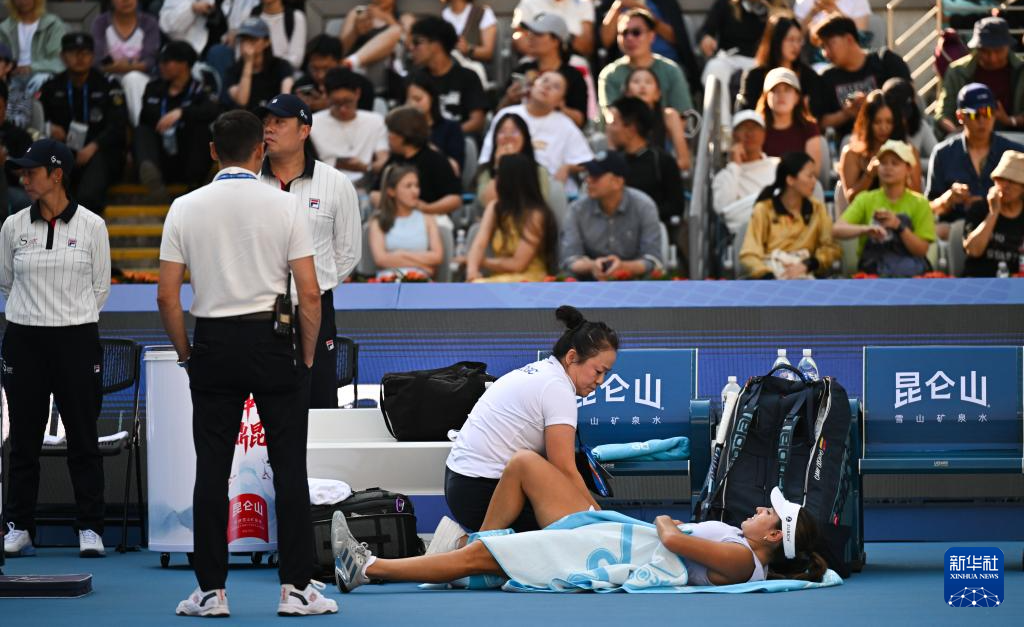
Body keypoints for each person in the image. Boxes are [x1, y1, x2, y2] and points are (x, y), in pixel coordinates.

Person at [157, 110, 335, 617]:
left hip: (212, 343)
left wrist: (187, 354)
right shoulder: (286, 204)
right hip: (273, 342)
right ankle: (296, 589)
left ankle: (210, 591)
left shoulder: (184, 207)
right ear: (261, 149)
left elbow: (167, 297)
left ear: (213, 151)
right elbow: (310, 294)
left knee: (211, 470)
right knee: (290, 468)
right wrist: (304, 356)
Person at [333, 464, 826, 591]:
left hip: (622, 553)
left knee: (485, 556)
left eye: (768, 513)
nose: (759, 508)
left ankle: (370, 567)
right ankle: (436, 561)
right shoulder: (743, 548)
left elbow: (672, 539)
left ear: (773, 537)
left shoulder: (742, 561)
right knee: (488, 557)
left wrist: (666, 519)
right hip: (616, 541)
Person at [1, 140, 110, 560]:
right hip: (24, 340)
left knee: (83, 437)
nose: (24, 177)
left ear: (57, 174)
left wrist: (68, 316)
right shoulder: (12, 226)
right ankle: (19, 526)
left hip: (76, 340)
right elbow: (6, 280)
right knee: (23, 440)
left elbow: (100, 288)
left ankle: (91, 527)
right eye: (22, 171)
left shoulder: (93, 226)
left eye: (32, 171)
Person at [442, 305, 617, 532]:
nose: (601, 381)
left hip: (461, 483)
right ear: (572, 357)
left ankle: (464, 543)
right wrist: (603, 521)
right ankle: (467, 545)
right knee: (577, 531)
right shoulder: (557, 388)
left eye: (606, 374)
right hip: (481, 491)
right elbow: (564, 469)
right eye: (598, 371)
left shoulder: (543, 371)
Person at [259, 94, 360, 407]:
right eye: (266, 122)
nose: (269, 128)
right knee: (261, 401)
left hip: (314, 307)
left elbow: (349, 252)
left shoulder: (336, 183)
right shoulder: (250, 180)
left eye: (279, 122)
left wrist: (313, 285)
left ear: (304, 130)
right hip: (257, 307)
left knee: (318, 397)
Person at [38, 33, 128, 215]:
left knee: (88, 195)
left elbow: (118, 125)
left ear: (93, 56)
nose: (80, 58)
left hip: (100, 152)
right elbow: (36, 121)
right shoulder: (51, 86)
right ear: (63, 57)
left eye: (85, 53)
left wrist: (93, 146)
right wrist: (48, 128)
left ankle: (85, 217)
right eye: (73, 53)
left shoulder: (108, 84)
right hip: (63, 153)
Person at [696, 0, 788, 119]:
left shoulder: (779, 10)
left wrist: (774, 16)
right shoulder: (725, 3)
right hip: (729, 58)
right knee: (713, 70)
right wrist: (706, 38)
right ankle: (722, 127)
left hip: (761, 62)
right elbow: (706, 30)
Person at [596, 0, 700, 88]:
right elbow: (605, 42)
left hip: (667, 67)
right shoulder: (608, 5)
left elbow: (679, 39)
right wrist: (618, 7)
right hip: (627, 72)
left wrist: (647, 15)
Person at [928, 83, 1024, 235]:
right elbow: (928, 210)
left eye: (988, 112)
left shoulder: (1016, 152)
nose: (982, 120)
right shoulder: (943, 154)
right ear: (960, 117)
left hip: (1006, 230)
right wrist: (947, 200)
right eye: (974, 114)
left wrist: (992, 202)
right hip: (956, 230)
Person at [159, 0, 259, 85]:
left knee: (219, 52)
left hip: (230, 57)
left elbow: (256, 24)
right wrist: (191, 9)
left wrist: (238, 33)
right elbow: (166, 25)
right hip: (191, 57)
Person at [479, 71, 594, 192]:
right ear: (533, 85)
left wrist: (568, 167)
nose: (547, 87)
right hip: (508, 184)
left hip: (551, 188)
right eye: (544, 81)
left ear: (560, 101)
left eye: (556, 86)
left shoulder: (566, 125)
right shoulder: (507, 115)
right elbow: (486, 159)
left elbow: (587, 162)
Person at [834, 139, 935, 276]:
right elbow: (837, 230)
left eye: (895, 163)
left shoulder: (920, 203)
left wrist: (898, 226)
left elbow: (921, 250)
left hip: (911, 277)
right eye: (883, 163)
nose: (888, 168)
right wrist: (866, 229)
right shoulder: (865, 199)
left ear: (908, 169)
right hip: (873, 276)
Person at [561, 152, 664, 279]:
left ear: (617, 182)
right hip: (590, 282)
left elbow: (653, 259)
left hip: (635, 282)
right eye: (587, 174)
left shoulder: (644, 206)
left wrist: (624, 267)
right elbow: (569, 259)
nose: (588, 180)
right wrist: (592, 266)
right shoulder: (576, 210)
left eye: (595, 176)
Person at [135, 41, 222, 191]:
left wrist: (182, 112)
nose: (161, 65)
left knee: (201, 130)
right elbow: (145, 118)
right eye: (160, 61)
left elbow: (213, 110)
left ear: (184, 64)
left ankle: (194, 184)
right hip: (161, 153)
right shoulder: (153, 88)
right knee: (141, 130)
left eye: (167, 62)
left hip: (187, 155)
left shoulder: (200, 90)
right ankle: (153, 181)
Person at [740, 151, 840, 279]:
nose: (815, 182)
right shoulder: (763, 209)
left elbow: (831, 247)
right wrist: (769, 276)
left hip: (806, 275)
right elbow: (749, 254)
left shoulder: (817, 208)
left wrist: (807, 265)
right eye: (810, 176)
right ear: (790, 180)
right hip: (770, 276)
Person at [814, 14, 911, 139]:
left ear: (849, 39)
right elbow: (819, 122)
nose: (825, 53)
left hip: (895, 136)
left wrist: (874, 103)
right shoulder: (826, 78)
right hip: (853, 140)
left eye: (829, 44)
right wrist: (847, 113)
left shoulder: (885, 60)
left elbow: (910, 97)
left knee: (921, 128)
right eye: (823, 47)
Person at [466, 154, 558, 282]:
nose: (495, 180)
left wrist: (484, 262)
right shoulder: (494, 207)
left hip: (529, 279)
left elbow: (518, 264)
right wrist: (472, 271)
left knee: (480, 286)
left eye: (498, 175)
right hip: (500, 278)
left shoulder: (536, 214)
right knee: (472, 285)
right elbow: (479, 244)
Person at [91, 0, 161, 127]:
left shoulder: (149, 22)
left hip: (142, 79)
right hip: (108, 78)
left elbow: (149, 62)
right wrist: (131, 64)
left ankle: (139, 129)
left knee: (132, 78)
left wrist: (121, 66)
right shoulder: (100, 23)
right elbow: (98, 60)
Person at [598, 8, 692, 121]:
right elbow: (611, 120)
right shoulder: (610, 74)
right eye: (624, 33)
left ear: (652, 36)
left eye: (636, 32)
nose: (629, 38)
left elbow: (684, 117)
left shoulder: (671, 71)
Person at [0, 0, 67, 126]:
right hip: (12, 76)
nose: (22, 0)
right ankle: (14, 123)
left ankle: (27, 121)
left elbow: (58, 62)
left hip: (40, 75)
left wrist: (31, 67)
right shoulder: (4, 28)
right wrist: (8, 70)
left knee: (39, 81)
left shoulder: (53, 25)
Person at [935, 17, 1024, 135]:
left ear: (1008, 47)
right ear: (976, 49)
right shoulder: (957, 71)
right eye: (985, 51)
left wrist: (1010, 121)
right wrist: (958, 133)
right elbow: (943, 113)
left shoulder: (1021, 70)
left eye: (998, 51)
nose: (992, 58)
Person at [499, 13, 588, 128]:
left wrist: (559, 107)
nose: (530, 37)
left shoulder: (573, 76)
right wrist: (509, 98)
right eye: (530, 32)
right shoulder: (522, 70)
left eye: (538, 34)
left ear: (556, 40)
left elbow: (581, 121)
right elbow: (498, 113)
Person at [606, 96, 685, 225]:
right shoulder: (612, 163)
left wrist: (640, 216)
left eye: (613, 123)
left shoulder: (661, 161)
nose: (609, 129)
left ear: (631, 129)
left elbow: (676, 207)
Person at [308, 67, 389, 187]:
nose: (343, 109)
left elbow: (383, 160)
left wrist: (366, 167)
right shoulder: (312, 124)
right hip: (325, 184)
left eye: (348, 102)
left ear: (357, 94)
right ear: (327, 97)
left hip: (365, 183)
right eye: (336, 103)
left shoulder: (375, 121)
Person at [838, 89, 921, 205]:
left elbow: (918, 197)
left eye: (889, 122)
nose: (883, 127)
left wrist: (903, 174)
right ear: (867, 123)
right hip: (865, 215)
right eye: (877, 122)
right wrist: (869, 175)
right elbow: (851, 199)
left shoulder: (909, 151)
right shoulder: (851, 153)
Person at [408, 16, 487, 136]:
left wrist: (446, 135)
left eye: (417, 42)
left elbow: (477, 122)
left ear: (436, 44)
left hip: (458, 140)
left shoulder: (468, 77)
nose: (411, 48)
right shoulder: (413, 78)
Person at [368, 164, 445, 279]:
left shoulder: (428, 219)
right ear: (391, 191)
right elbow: (381, 259)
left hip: (420, 281)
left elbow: (437, 256)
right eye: (408, 186)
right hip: (388, 281)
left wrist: (401, 254)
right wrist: (421, 265)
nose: (415, 191)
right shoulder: (378, 221)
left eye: (416, 185)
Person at [384, 105, 463, 216]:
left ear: (403, 135)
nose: (387, 136)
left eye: (390, 132)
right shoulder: (394, 158)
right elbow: (376, 192)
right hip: (396, 216)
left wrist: (427, 208)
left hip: (431, 217)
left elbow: (455, 199)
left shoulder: (435, 160)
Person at [713, 110, 780, 235]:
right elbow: (723, 210)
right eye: (743, 128)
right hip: (747, 236)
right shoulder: (724, 176)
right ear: (734, 134)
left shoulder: (778, 166)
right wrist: (735, 166)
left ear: (764, 134)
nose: (749, 133)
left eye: (754, 128)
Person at [737, 14, 823, 113]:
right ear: (776, 40)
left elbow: (817, 113)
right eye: (791, 40)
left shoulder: (809, 76)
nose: (796, 46)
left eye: (799, 40)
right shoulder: (755, 75)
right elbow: (745, 113)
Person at [337, 0, 407, 86]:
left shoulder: (404, 19)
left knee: (396, 30)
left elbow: (409, 47)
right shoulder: (358, 13)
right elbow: (339, 51)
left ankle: (351, 62)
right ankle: (351, 63)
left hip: (388, 77)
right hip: (353, 77)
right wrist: (355, 32)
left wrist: (387, 19)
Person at [963, 149, 1024, 277]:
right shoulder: (979, 209)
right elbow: (973, 250)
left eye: (1012, 181)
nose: (1005, 185)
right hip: (978, 282)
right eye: (1001, 179)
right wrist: (993, 213)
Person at [475, 112, 552, 208]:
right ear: (495, 138)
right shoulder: (486, 170)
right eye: (502, 132)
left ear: (525, 137)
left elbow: (537, 205)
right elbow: (487, 203)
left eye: (514, 131)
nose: (508, 136)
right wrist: (499, 166)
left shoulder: (539, 171)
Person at [757, 68, 824, 177]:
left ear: (797, 97)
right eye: (775, 90)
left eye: (787, 89)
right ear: (766, 97)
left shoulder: (809, 127)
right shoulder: (758, 128)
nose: (781, 95)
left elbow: (814, 171)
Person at [623, 67, 690, 169]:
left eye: (648, 82)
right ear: (627, 93)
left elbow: (684, 161)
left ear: (658, 94)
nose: (642, 86)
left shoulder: (669, 115)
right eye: (636, 82)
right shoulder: (619, 118)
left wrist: (657, 171)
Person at [292, 34, 375, 114]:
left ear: (340, 63)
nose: (320, 75)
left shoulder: (362, 87)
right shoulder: (300, 87)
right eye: (315, 69)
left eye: (326, 69)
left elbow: (363, 119)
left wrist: (330, 105)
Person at [226, 18, 295, 111]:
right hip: (246, 117)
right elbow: (242, 101)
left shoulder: (281, 66)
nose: (247, 44)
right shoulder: (233, 70)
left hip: (272, 115)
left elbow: (286, 99)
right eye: (244, 40)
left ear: (266, 42)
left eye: (253, 39)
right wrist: (248, 63)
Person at [438, 0, 496, 65]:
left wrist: (468, 48)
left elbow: (488, 52)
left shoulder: (483, 13)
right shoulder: (440, 16)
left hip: (473, 71)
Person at [406, 72, 465, 172]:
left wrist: (423, 145)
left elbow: (455, 169)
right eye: (409, 100)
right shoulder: (403, 129)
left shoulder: (451, 128)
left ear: (432, 98)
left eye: (418, 99)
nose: (412, 104)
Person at [252, 0, 307, 71]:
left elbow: (296, 59)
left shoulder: (296, 17)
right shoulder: (251, 17)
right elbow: (241, 55)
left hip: (285, 73)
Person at [881, 77, 937, 170]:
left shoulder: (920, 125)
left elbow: (939, 159)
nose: (903, 119)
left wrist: (909, 162)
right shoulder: (881, 129)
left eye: (905, 113)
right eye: (897, 114)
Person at [0, 80, 33, 217]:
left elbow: (30, 172)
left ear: (5, 107)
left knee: (24, 201)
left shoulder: (19, 136)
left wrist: (5, 161)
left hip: (9, 190)